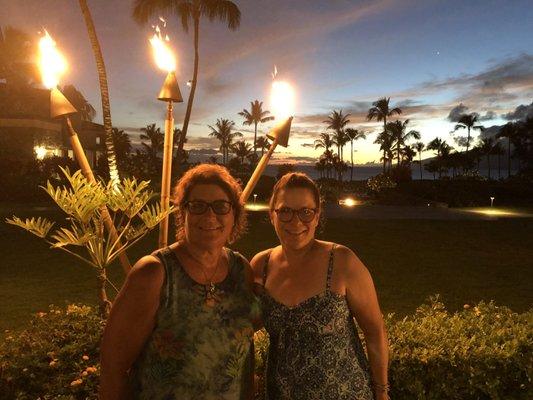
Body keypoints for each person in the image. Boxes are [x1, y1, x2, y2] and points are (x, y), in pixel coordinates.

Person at [100, 164, 259, 400]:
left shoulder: (240, 270)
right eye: (197, 206)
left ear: (234, 214)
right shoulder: (154, 273)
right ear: (182, 212)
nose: (209, 216)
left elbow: (244, 356)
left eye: (221, 206)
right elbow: (112, 368)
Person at [251, 172, 389, 400]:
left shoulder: (342, 262)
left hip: (345, 393)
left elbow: (375, 332)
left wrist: (382, 392)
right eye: (285, 211)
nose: (296, 222)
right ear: (272, 215)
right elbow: (246, 324)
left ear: (317, 216)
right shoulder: (262, 265)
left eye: (306, 212)